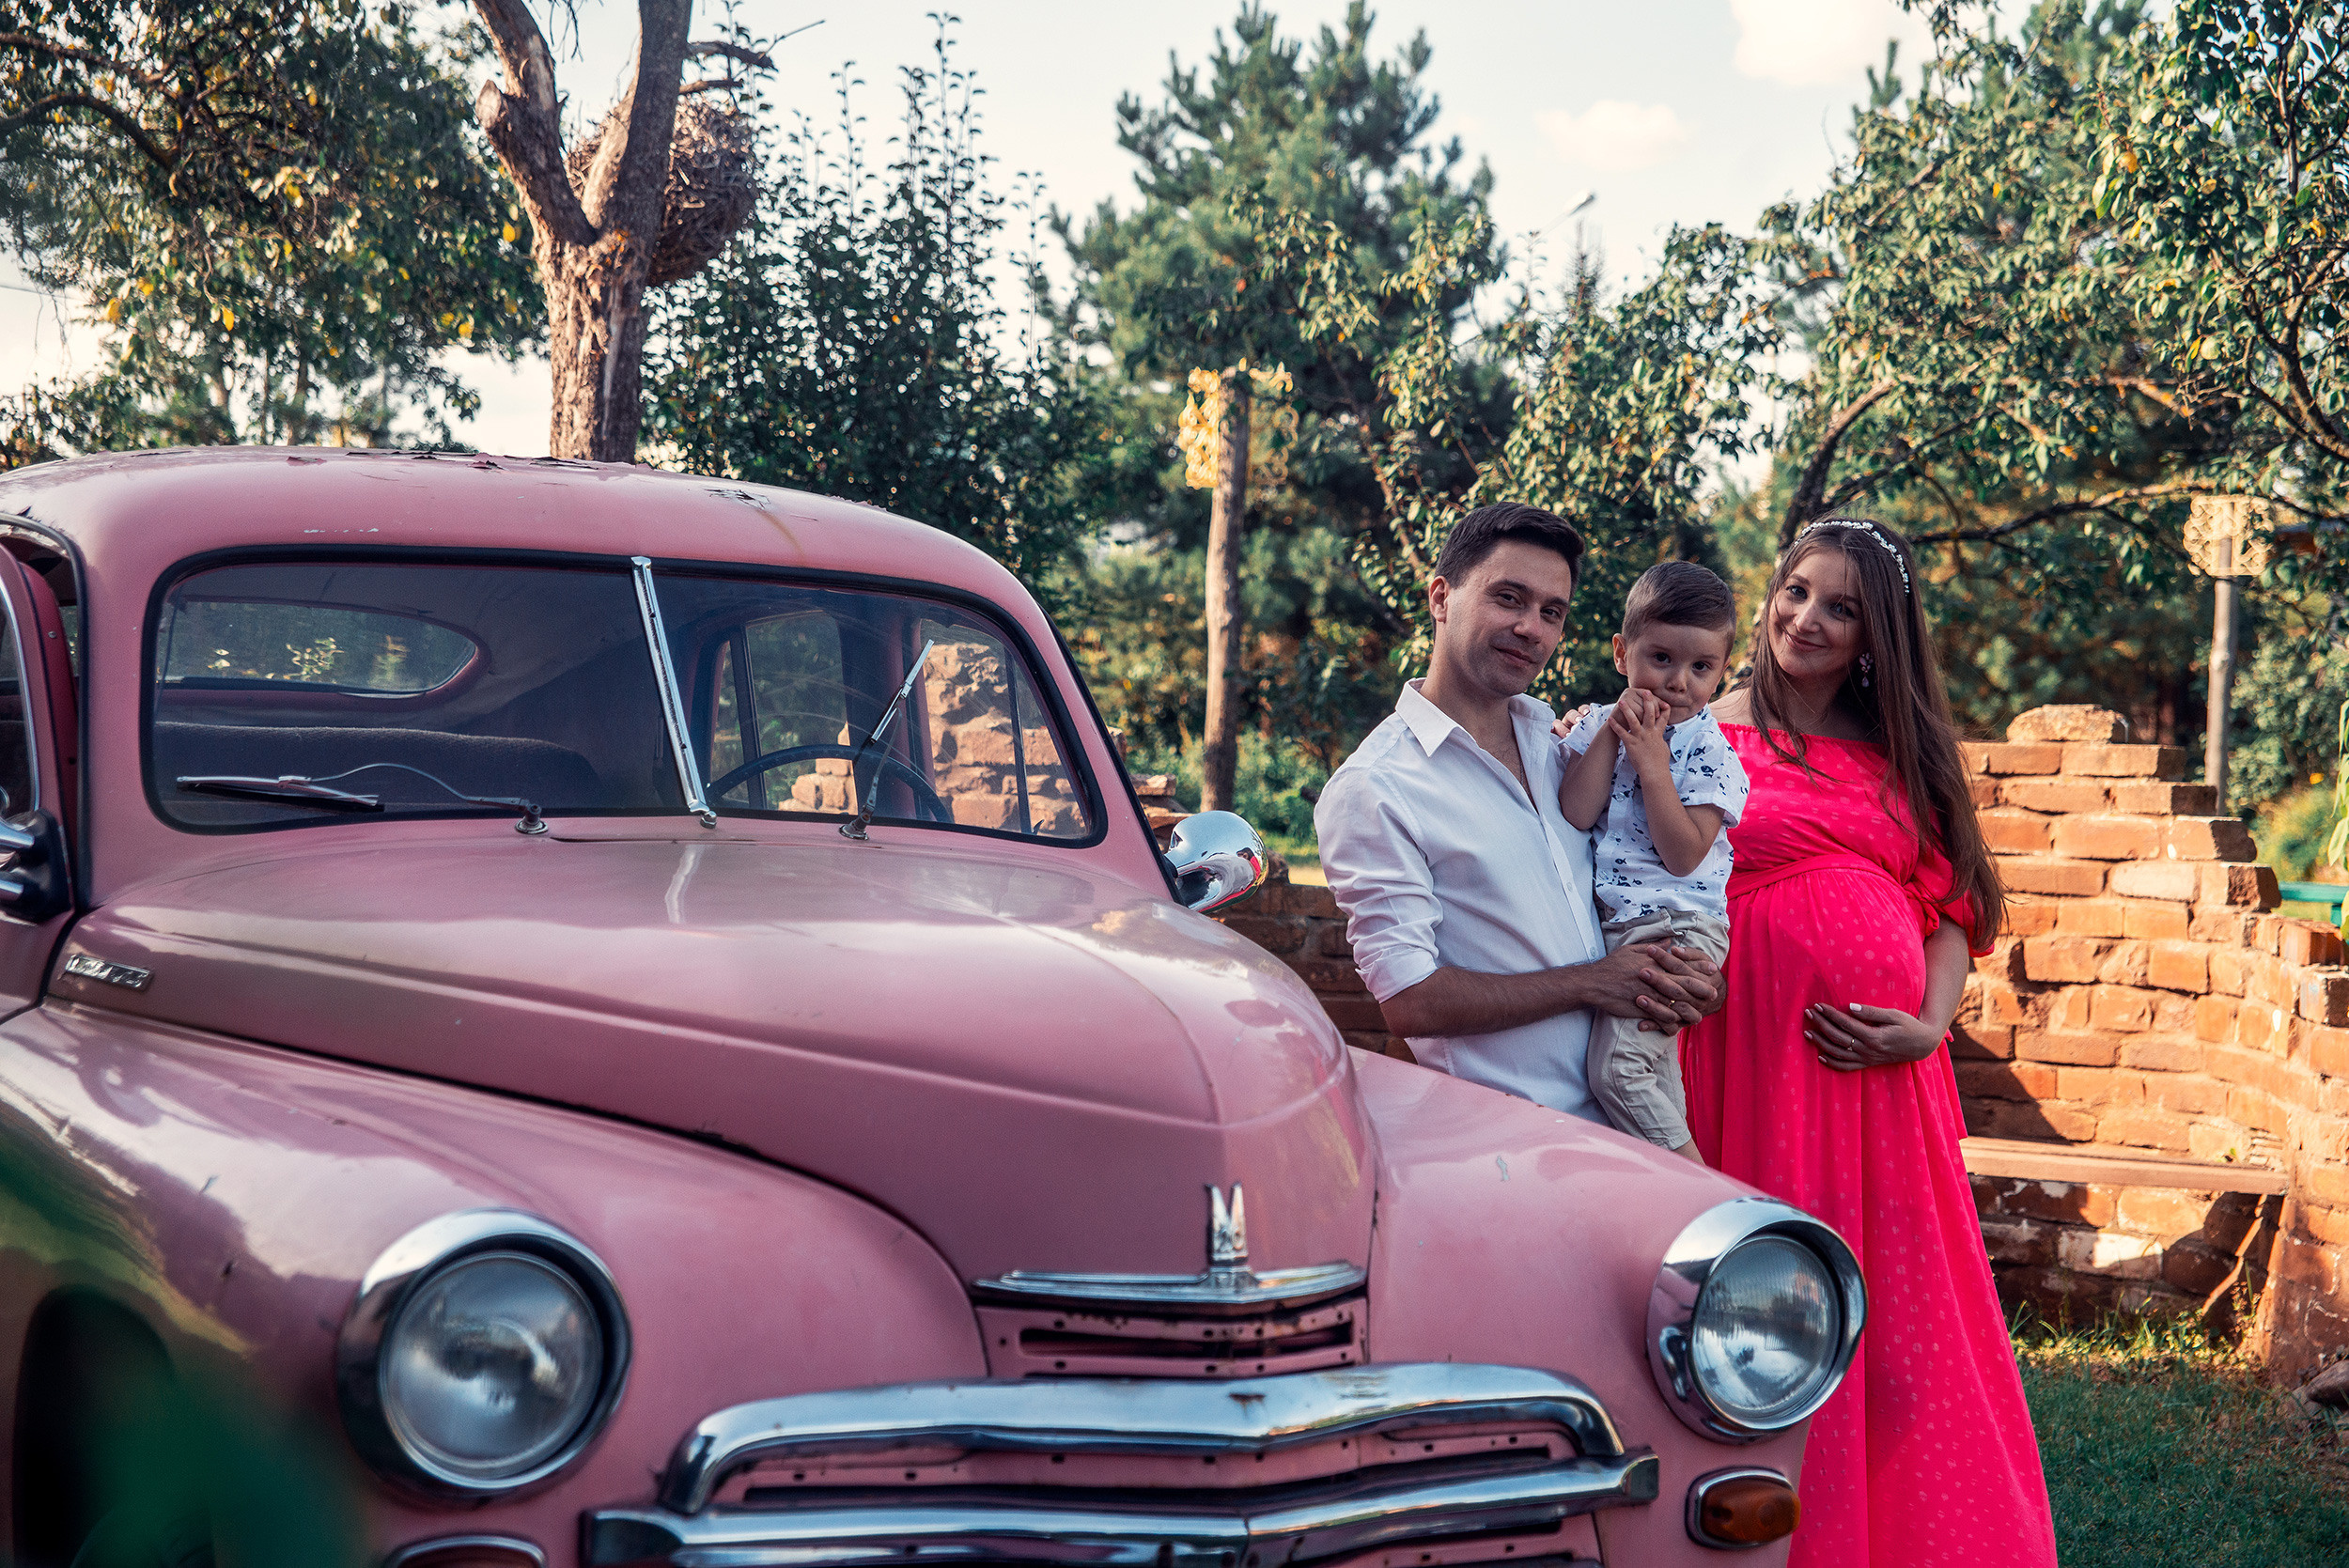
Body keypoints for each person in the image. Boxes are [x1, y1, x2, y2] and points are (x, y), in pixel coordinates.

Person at [1683, 518, 2057, 1566]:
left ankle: (1925, 1539)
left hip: (1884, 1081)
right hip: (1744, 1063)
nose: (1805, 618)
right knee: (1763, 1310)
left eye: (1838, 606)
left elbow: (1953, 909)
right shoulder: (1700, 728)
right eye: (1795, 591)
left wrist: (1931, 1025)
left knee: (1901, 1328)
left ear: (1873, 637)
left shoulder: (1902, 758)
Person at [1315, 502, 1724, 1120]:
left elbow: (1639, 883)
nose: (1532, 627)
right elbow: (1411, 999)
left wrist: (1691, 982)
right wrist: (1593, 981)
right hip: (1512, 1144)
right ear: (1440, 598)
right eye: (1509, 598)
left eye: (1551, 612)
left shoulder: (1564, 743)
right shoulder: (1377, 788)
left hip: (1633, 1125)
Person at [1554, 562, 1748, 1163]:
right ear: (1621, 653)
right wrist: (1612, 734)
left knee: (1617, 1072)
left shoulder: (1713, 754)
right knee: (1653, 1076)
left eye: (1700, 668)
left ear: (1719, 674)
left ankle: (1700, 1190)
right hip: (1623, 928)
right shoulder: (1595, 725)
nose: (1678, 682)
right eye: (1660, 658)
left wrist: (1652, 765)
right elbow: (1577, 811)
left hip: (1679, 927)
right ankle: (1677, 1197)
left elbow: (1685, 854)